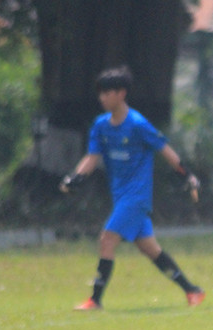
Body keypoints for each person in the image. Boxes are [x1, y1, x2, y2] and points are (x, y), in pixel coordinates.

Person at [60, 65, 205, 310]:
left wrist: (187, 175)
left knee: (107, 240)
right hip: (120, 196)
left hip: (136, 197)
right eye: (100, 93)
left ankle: (95, 299)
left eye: (107, 93)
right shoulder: (101, 125)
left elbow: (165, 150)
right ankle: (192, 290)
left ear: (121, 94)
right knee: (150, 249)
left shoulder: (138, 124)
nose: (102, 98)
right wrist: (74, 177)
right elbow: (92, 157)